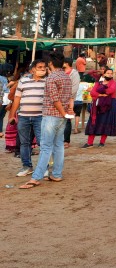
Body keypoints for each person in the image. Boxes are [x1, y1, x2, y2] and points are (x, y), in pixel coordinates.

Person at [19, 52, 72, 189]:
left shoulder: (51, 78)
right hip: (61, 117)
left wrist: (63, 113)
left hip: (51, 116)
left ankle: (36, 177)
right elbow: (69, 97)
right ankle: (56, 174)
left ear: (50, 64)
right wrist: (66, 113)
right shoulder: (66, 77)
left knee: (46, 147)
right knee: (58, 145)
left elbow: (55, 99)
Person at [9, 60, 47, 177]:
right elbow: (17, 98)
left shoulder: (47, 81)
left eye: (44, 67)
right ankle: (27, 166)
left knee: (42, 143)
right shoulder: (23, 81)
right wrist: (12, 115)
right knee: (24, 143)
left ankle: (44, 167)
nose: (42, 69)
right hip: (23, 117)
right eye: (39, 67)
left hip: (40, 117)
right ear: (33, 69)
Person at [83, 68, 116, 148]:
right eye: (108, 73)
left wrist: (97, 92)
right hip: (98, 105)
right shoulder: (99, 83)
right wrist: (101, 95)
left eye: (111, 73)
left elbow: (110, 91)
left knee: (106, 122)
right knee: (93, 122)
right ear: (104, 74)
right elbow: (92, 92)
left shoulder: (113, 83)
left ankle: (102, 142)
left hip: (109, 105)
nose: (110, 74)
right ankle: (89, 143)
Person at [62, 57, 80, 147]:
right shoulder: (60, 72)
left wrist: (66, 95)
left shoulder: (74, 73)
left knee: (67, 120)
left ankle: (66, 141)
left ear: (66, 63)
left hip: (69, 99)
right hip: (59, 99)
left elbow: (74, 88)